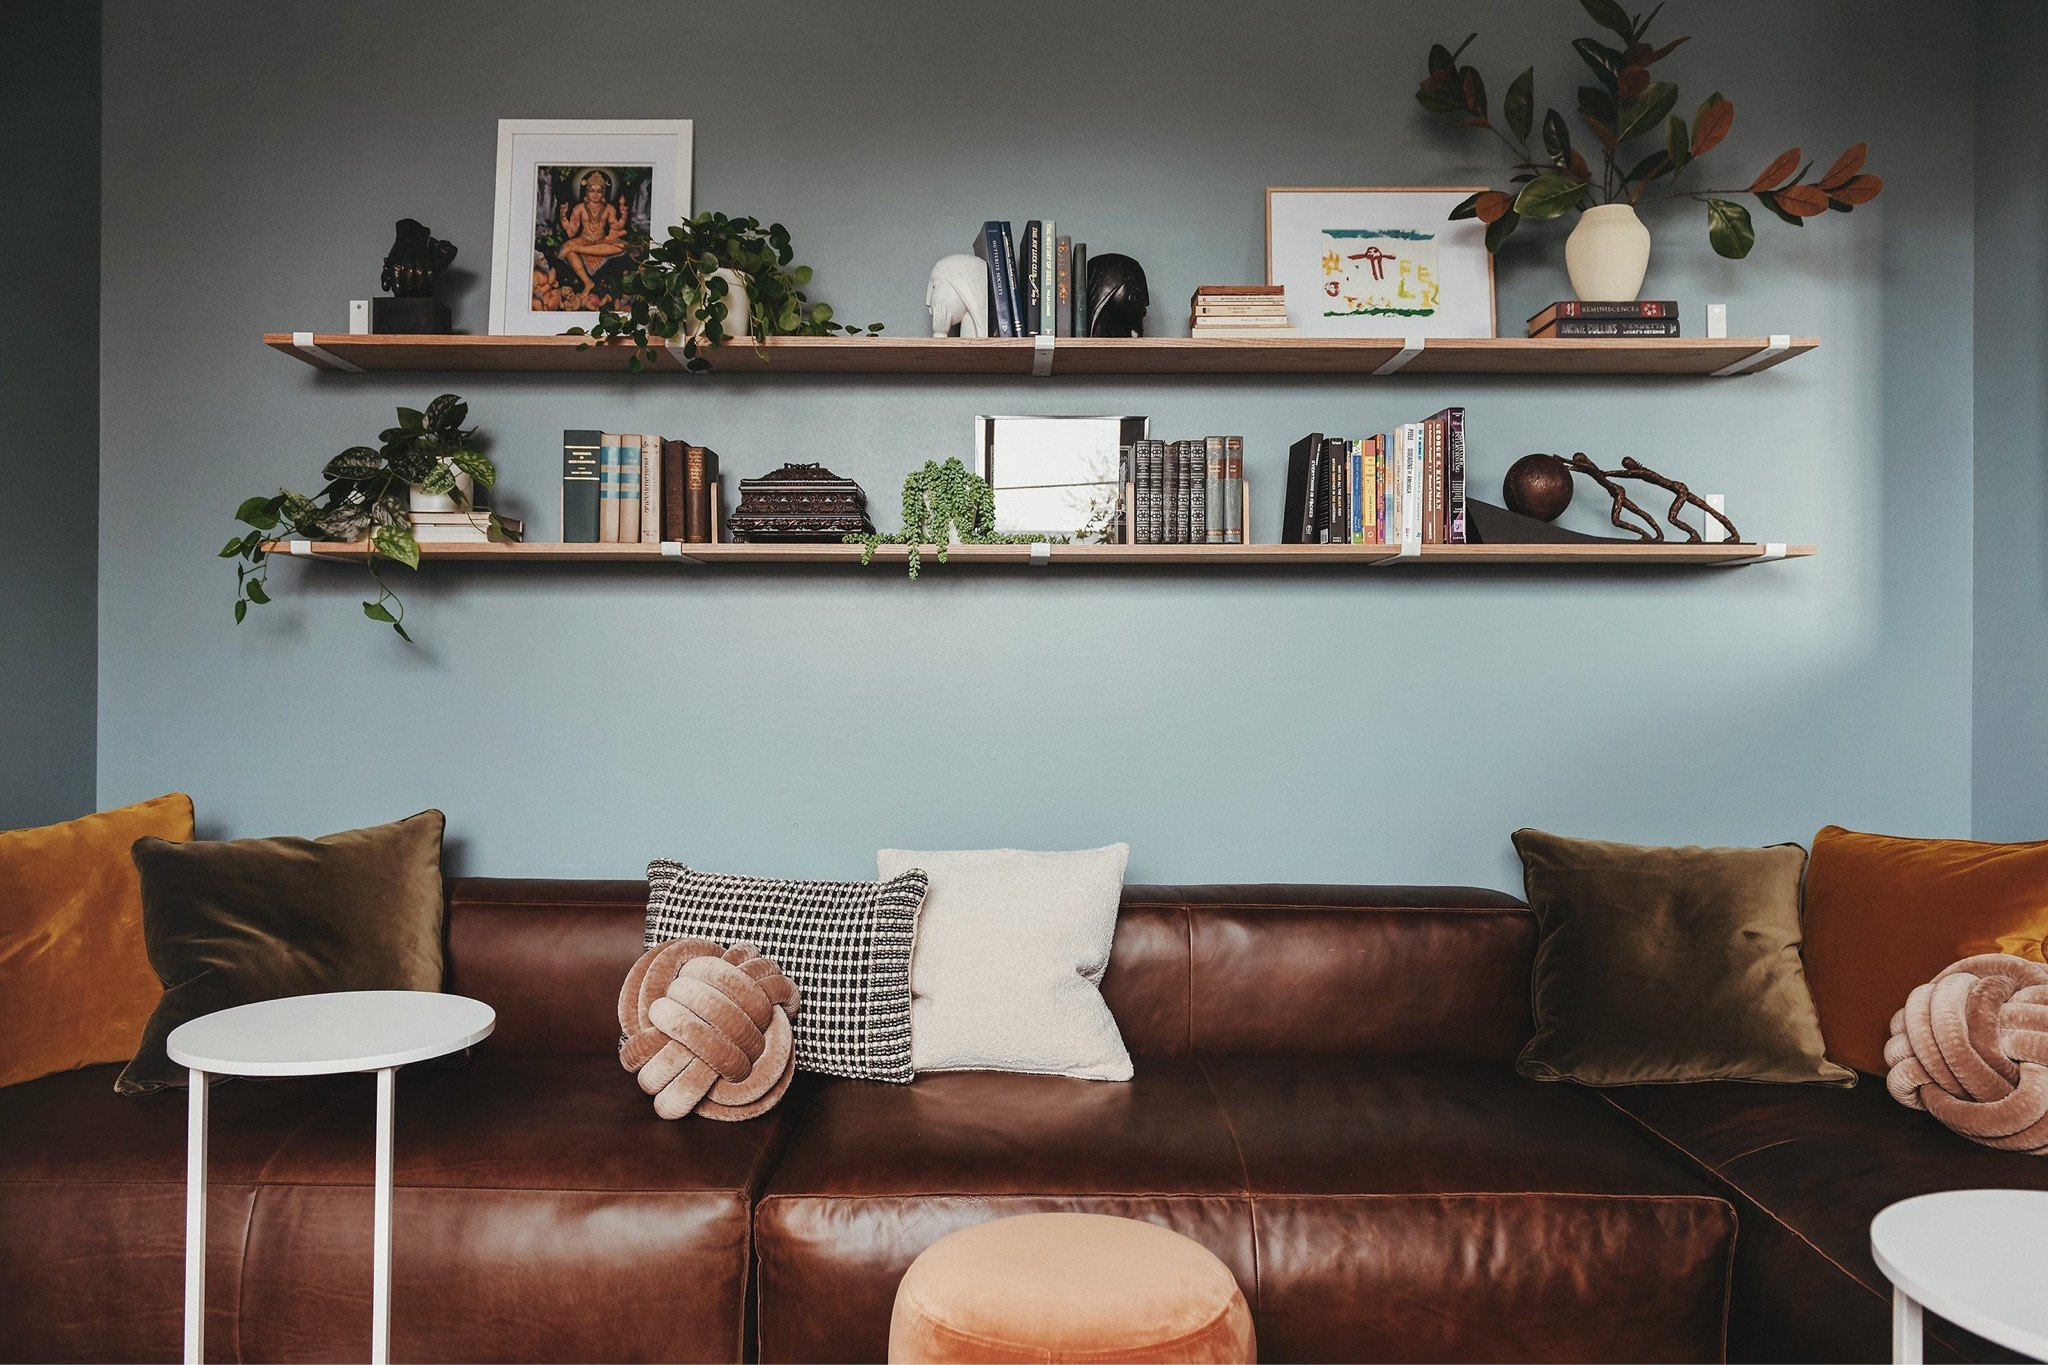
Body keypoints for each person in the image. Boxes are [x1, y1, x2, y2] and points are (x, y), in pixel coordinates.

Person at [554, 170, 626, 296]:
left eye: (599, 191)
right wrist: (563, 217)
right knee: (567, 251)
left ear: (603, 192)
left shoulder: (609, 208)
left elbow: (615, 228)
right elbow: (571, 233)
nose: (595, 195)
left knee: (621, 246)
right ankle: (588, 282)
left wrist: (623, 216)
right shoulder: (579, 208)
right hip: (584, 239)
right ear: (587, 192)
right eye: (592, 190)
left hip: (601, 241)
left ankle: (579, 249)